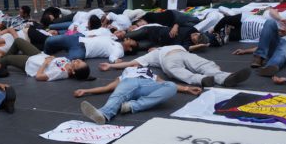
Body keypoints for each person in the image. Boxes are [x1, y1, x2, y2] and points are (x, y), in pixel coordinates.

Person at [75, 66, 202, 124]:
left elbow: (164, 84)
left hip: (148, 85)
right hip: (128, 82)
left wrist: (187, 88)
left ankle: (131, 106)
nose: (136, 65)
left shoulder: (151, 74)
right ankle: (104, 114)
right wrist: (86, 91)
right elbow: (106, 88)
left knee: (171, 86)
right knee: (118, 95)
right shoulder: (124, 74)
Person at [101, 45, 251, 89]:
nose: (150, 49)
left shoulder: (172, 45)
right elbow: (130, 63)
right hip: (168, 59)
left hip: (184, 53)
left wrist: (215, 65)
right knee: (178, 71)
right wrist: (111, 65)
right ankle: (203, 80)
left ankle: (225, 78)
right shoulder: (150, 56)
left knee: (204, 65)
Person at [0, 37, 90, 81]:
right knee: (18, 41)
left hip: (31, 63)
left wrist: (45, 63)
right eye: (80, 61)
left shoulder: (60, 73)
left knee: (8, 59)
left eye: (78, 63)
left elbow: (39, 76)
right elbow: (56, 61)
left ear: (73, 71)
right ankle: (1, 63)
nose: (78, 60)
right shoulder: (69, 63)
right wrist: (52, 57)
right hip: (39, 55)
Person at [43, 34, 133, 63]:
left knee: (63, 62)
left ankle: (44, 63)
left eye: (131, 41)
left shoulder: (120, 51)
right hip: (77, 39)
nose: (129, 38)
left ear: (130, 49)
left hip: (82, 50)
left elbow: (112, 57)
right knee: (49, 40)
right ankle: (44, 55)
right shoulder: (116, 41)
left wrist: (116, 61)